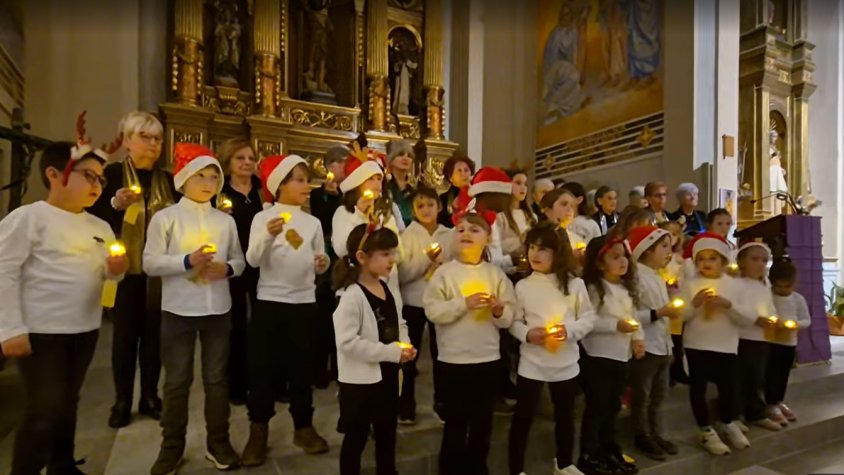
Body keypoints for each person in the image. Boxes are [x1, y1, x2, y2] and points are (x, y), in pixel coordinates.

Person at [1, 140, 128, 475]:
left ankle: (62, 465)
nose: (97, 186)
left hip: (83, 329)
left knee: (67, 403)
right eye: (89, 176)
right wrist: (10, 328)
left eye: (101, 179)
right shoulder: (28, 218)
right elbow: (4, 272)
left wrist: (115, 273)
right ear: (54, 174)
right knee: (43, 410)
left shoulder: (99, 227)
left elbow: (106, 281)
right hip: (41, 332)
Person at [143, 143, 245, 474]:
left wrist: (227, 269)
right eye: (200, 175)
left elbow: (239, 260)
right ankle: (171, 446)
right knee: (176, 380)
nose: (208, 182)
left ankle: (218, 442)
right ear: (184, 179)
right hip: (178, 310)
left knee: (216, 379)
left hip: (218, 309)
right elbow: (149, 262)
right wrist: (187, 261)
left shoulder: (225, 221)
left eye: (214, 176)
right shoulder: (166, 218)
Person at [241, 155, 331, 465]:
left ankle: (303, 427)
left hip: (304, 304)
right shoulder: (262, 218)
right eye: (300, 179)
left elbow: (320, 258)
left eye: (307, 180)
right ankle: (258, 431)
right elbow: (252, 260)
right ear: (280, 185)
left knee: (302, 369)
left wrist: (323, 263)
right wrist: (268, 234)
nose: (307, 186)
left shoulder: (313, 222)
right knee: (263, 370)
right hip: (270, 303)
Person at [89, 111, 176, 428]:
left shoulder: (167, 181)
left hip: (157, 272)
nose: (153, 144)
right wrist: (114, 203)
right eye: (145, 137)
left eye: (157, 138)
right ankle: (122, 400)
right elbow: (90, 213)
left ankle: (150, 396)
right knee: (124, 338)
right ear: (127, 141)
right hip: (123, 271)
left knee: (155, 338)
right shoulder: (110, 175)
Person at [423, 211, 516, 475]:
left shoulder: (495, 275)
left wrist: (498, 311)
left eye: (474, 230)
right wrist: (463, 304)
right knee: (455, 423)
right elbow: (433, 311)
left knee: (482, 424)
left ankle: (477, 468)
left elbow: (509, 316)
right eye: (461, 229)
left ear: (487, 239)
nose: (465, 233)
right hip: (454, 361)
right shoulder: (444, 273)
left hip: (486, 360)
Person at [507, 223, 595, 475]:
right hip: (532, 364)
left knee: (565, 416)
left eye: (542, 249)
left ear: (558, 253)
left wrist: (568, 331)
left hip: (565, 363)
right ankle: (516, 469)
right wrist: (527, 333)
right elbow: (515, 321)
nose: (535, 254)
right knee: (523, 418)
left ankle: (565, 463)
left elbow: (588, 318)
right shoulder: (523, 286)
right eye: (532, 247)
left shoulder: (574, 285)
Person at [333, 224, 414, 475]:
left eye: (393, 253)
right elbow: (347, 343)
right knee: (356, 437)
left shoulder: (387, 286)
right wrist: (390, 352)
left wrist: (405, 343)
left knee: (387, 433)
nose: (392, 259)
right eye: (385, 254)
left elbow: (399, 321)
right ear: (362, 257)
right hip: (360, 383)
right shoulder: (351, 297)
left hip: (386, 376)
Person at [678, 232, 753, 455]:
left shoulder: (736, 286)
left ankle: (727, 422)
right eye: (701, 259)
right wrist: (694, 304)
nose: (706, 263)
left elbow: (747, 319)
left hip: (726, 345)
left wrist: (729, 305)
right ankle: (705, 430)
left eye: (712, 258)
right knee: (698, 388)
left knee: (729, 387)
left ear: (723, 261)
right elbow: (681, 316)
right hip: (697, 345)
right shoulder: (690, 284)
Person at [577, 236, 644, 475]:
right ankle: (589, 453)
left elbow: (633, 315)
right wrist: (616, 326)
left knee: (613, 405)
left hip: (621, 356)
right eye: (614, 257)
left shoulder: (626, 288)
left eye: (624, 255)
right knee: (597, 406)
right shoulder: (595, 289)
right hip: (598, 356)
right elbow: (589, 320)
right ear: (599, 263)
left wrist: (637, 339)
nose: (622, 260)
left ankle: (609, 449)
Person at [627, 226, 682, 461]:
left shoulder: (658, 276)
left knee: (658, 396)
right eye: (664, 247)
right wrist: (661, 312)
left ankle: (656, 433)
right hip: (646, 346)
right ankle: (642, 436)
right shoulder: (635, 277)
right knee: (643, 396)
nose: (669, 252)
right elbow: (630, 314)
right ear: (648, 250)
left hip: (662, 345)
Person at [397, 186, 452, 424]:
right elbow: (402, 274)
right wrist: (425, 260)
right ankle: (406, 403)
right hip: (414, 302)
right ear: (413, 210)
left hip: (441, 302)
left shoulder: (449, 235)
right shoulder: (407, 237)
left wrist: (443, 268)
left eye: (431, 205)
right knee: (410, 355)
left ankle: (442, 401)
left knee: (442, 354)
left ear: (439, 207)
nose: (426, 210)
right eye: (420, 206)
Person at [216, 138, 262, 405]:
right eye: (240, 158)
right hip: (232, 266)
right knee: (235, 326)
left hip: (260, 266)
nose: (247, 163)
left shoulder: (263, 192)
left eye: (251, 158)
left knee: (261, 325)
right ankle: (236, 383)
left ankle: (263, 379)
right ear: (229, 162)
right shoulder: (219, 193)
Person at [332, 151, 402, 295]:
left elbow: (398, 250)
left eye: (379, 179)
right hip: (357, 285)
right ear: (357, 183)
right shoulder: (344, 212)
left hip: (386, 286)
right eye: (370, 179)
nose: (377, 183)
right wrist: (360, 216)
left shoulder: (386, 213)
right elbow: (341, 248)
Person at [310, 145, 349, 387]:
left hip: (343, 261)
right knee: (323, 318)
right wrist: (330, 195)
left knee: (343, 315)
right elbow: (323, 221)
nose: (344, 167)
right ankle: (319, 370)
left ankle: (339, 367)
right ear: (329, 166)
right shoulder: (318, 194)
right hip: (327, 259)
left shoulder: (352, 193)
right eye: (340, 162)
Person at [734, 242, 783, 431]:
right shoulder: (736, 284)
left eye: (764, 260)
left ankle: (755, 412)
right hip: (742, 337)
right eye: (754, 259)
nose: (760, 264)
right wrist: (755, 319)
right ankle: (734, 414)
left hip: (761, 338)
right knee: (738, 378)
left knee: (756, 377)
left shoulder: (764, 285)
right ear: (741, 262)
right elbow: (734, 309)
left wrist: (774, 319)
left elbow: (770, 307)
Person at [766, 259, 811, 424]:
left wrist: (795, 325)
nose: (783, 290)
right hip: (771, 342)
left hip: (789, 344)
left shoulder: (798, 299)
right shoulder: (768, 296)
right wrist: (774, 322)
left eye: (788, 286)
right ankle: (770, 403)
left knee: (783, 374)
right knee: (771, 374)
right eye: (779, 286)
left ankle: (778, 401)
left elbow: (807, 320)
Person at [496, 169, 537, 276]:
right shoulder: (500, 216)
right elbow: (497, 245)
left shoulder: (532, 216)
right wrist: (521, 241)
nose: (523, 187)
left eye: (525, 184)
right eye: (518, 183)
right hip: (507, 269)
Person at [438, 154, 476, 227]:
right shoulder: (444, 198)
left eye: (466, 170)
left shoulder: (477, 194)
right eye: (459, 171)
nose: (463, 174)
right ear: (450, 177)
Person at [386, 139, 416, 227]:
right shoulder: (384, 187)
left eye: (409, 156)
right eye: (400, 154)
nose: (405, 158)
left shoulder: (415, 190)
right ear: (391, 159)